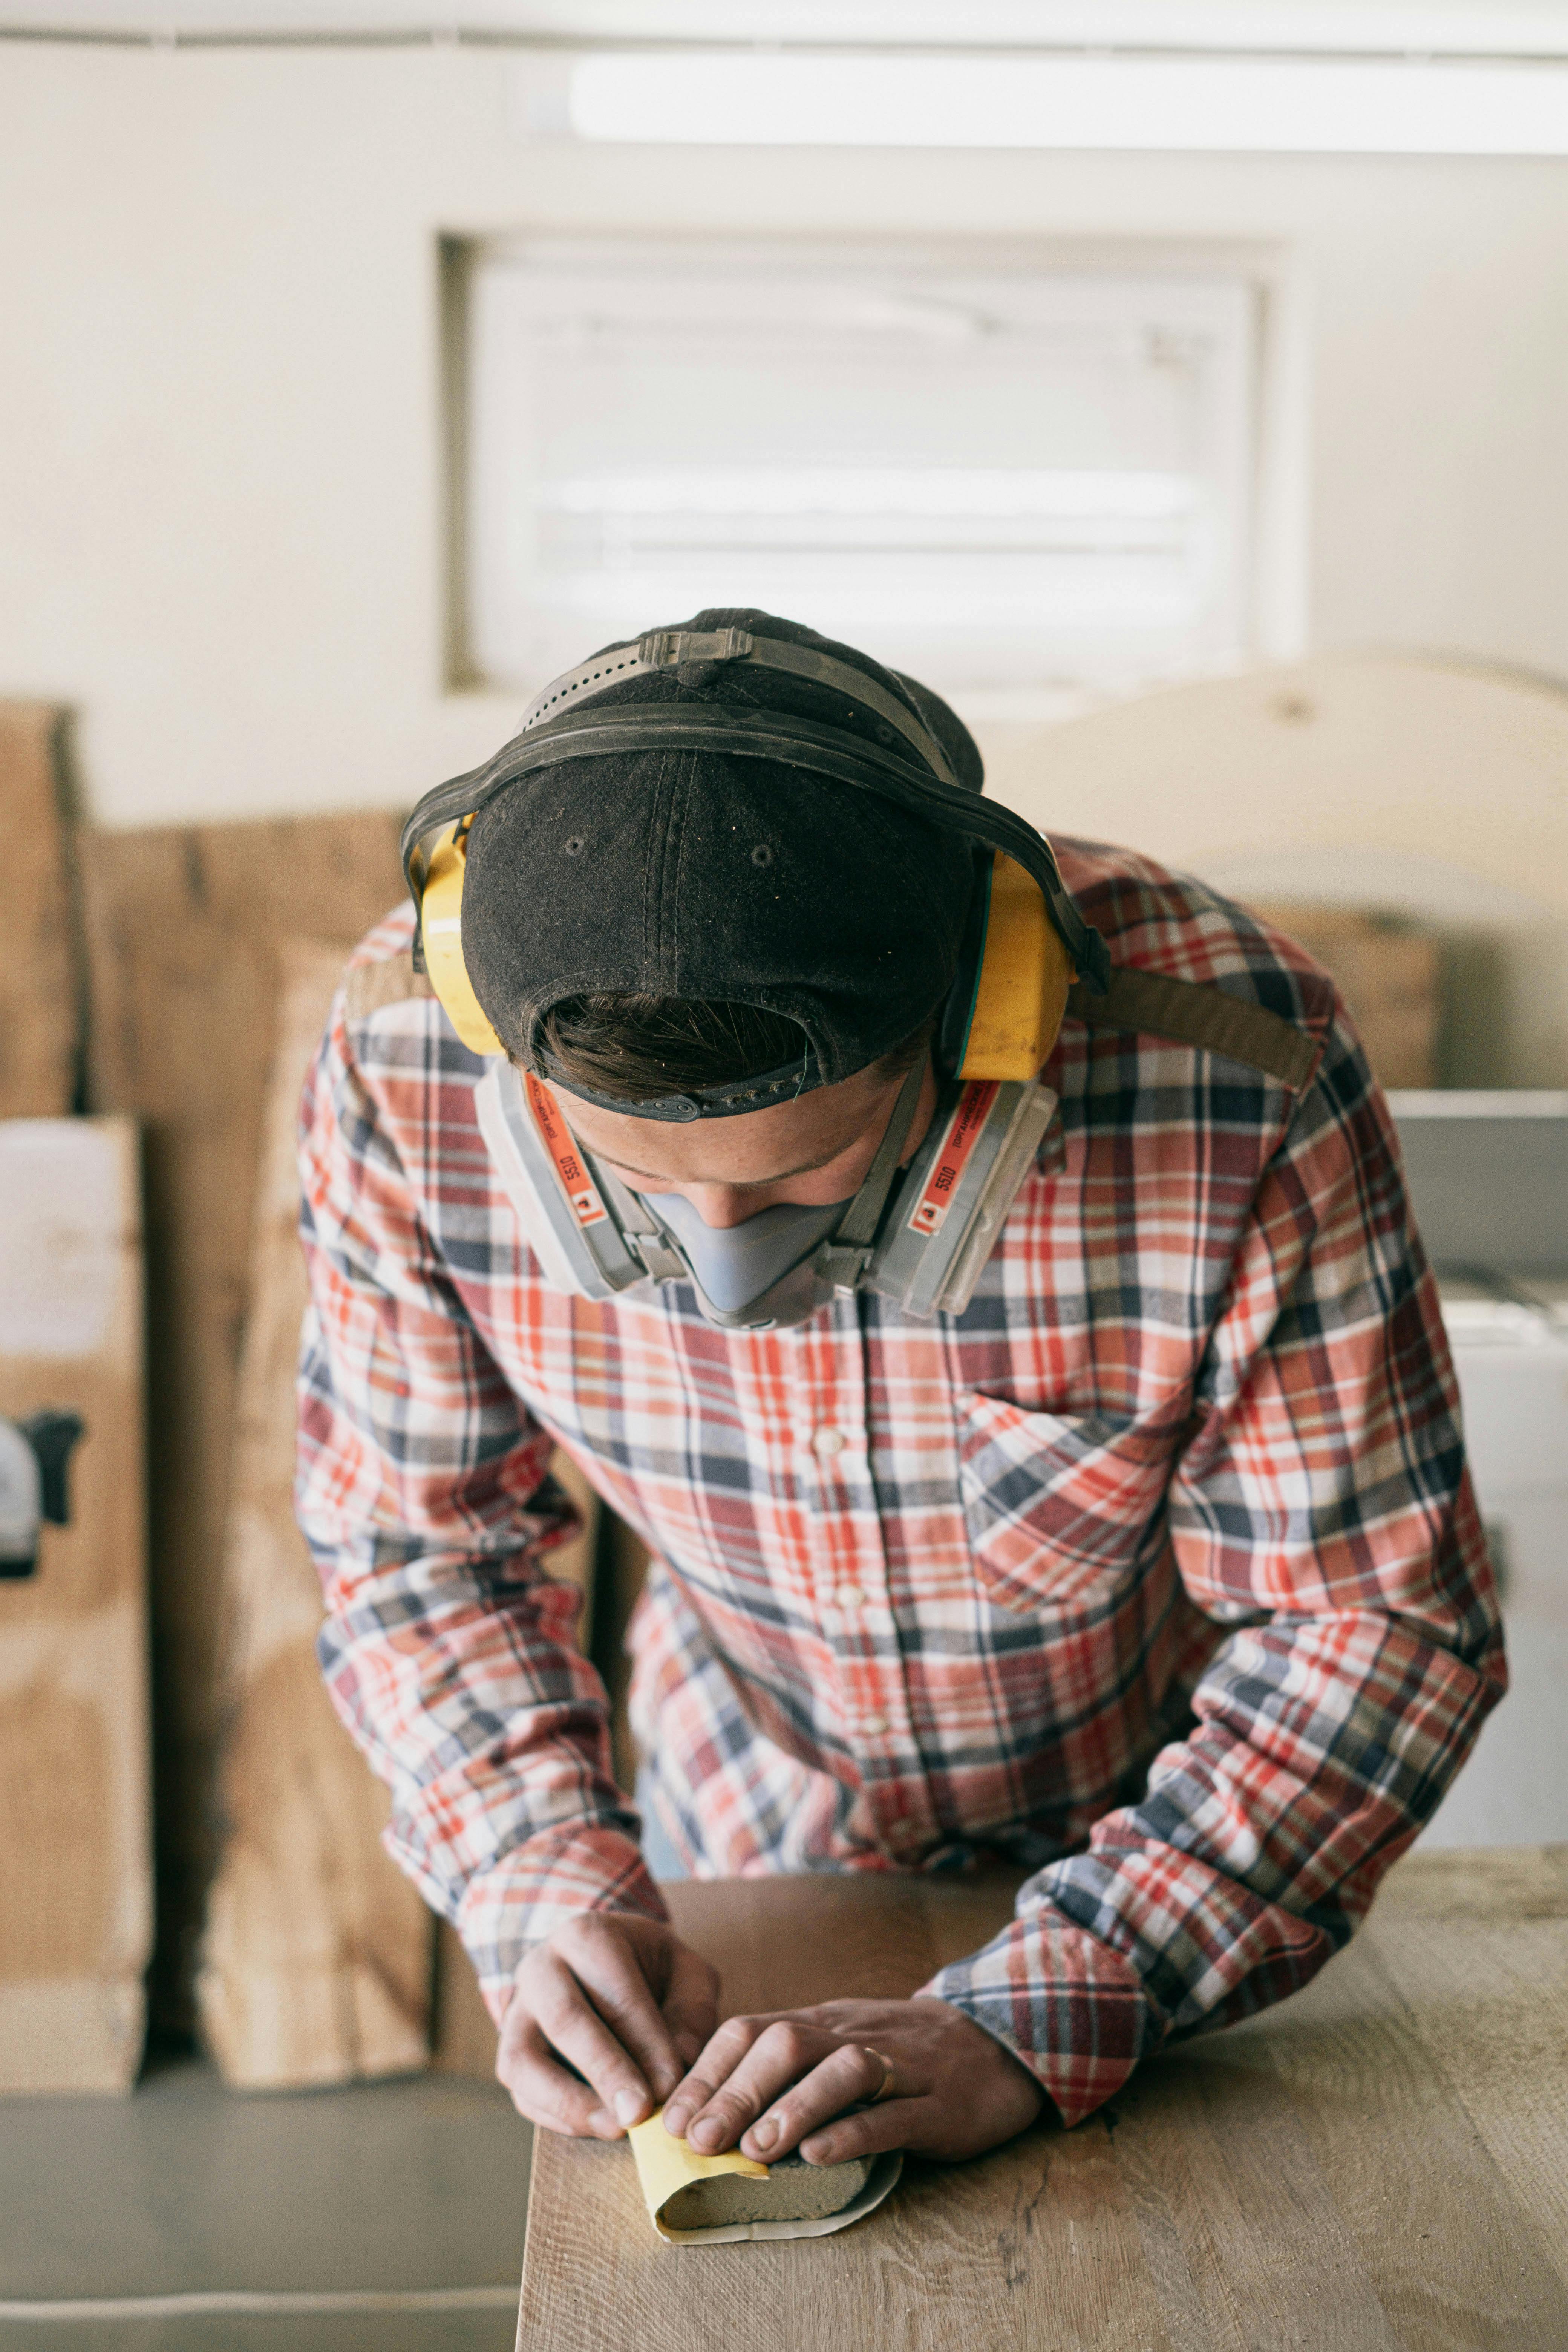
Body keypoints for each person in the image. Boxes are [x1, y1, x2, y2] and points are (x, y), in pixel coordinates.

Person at [296, 608, 1503, 2176]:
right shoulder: (406, 1059)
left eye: (805, 1171)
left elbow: (1372, 1622)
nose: (727, 1267)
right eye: (643, 1192)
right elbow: (415, 1547)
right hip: (742, 1810)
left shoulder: (1229, 1068)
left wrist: (1058, 2001)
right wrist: (534, 1875)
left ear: (976, 1011)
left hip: (1186, 1832)